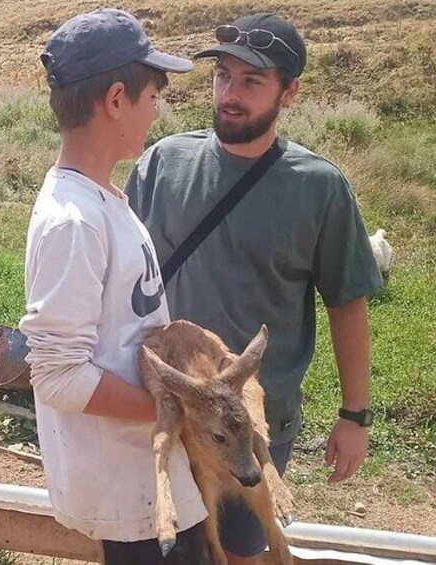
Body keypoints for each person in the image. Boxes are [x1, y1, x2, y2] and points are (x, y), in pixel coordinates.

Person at [124, 13, 383, 564]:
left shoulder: (318, 187)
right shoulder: (163, 164)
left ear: (290, 92)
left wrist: (355, 415)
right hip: (165, 409)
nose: (230, 94)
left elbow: (347, 304)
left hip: (254, 422)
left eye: (251, 81)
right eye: (223, 76)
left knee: (239, 551)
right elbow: (120, 277)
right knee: (158, 549)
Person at [17, 8, 210, 564]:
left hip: (148, 478)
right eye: (153, 96)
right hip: (126, 490)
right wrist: (177, 410)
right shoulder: (74, 223)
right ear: (117, 99)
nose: (156, 111)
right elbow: (58, 376)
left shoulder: (104, 201)